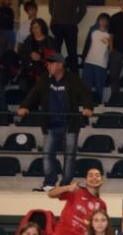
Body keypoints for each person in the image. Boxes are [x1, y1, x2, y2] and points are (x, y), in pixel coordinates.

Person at [18, 53, 94, 191]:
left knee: (69, 157)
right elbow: (34, 93)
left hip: (69, 124)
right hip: (51, 124)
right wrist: (24, 106)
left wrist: (88, 107)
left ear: (60, 65)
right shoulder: (44, 79)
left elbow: (85, 94)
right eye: (48, 63)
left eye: (52, 63)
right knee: (47, 155)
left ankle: (65, 185)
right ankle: (49, 184)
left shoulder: (72, 79)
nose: (49, 66)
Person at [48, 0, 87, 72]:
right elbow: (51, 8)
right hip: (56, 26)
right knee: (56, 54)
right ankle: (55, 76)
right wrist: (56, 18)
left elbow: (83, 9)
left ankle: (74, 80)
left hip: (70, 27)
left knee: (72, 54)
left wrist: (74, 20)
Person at [80, 13, 110, 104]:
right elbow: (87, 45)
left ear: (108, 22)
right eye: (101, 19)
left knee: (99, 87)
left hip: (101, 63)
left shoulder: (110, 34)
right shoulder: (93, 31)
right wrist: (83, 58)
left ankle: (99, 104)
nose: (103, 22)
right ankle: (85, 104)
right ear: (98, 20)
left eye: (105, 20)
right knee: (86, 86)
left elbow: (111, 51)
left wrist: (109, 65)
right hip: (89, 61)